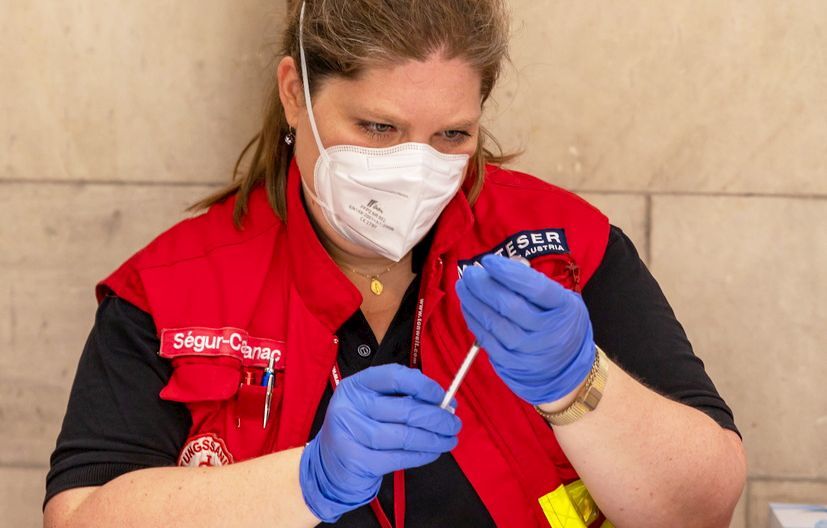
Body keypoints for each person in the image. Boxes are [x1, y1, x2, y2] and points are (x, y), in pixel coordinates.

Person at [43, 1, 747, 527]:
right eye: (377, 127)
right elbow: (78, 517)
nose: (413, 168)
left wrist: (579, 384)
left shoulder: (565, 249)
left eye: (451, 134)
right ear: (294, 95)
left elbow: (701, 509)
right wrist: (308, 480)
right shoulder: (173, 287)